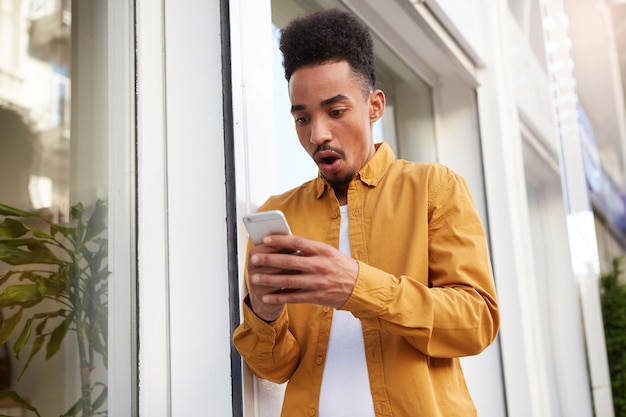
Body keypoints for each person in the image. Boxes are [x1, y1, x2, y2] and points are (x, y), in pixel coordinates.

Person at [233, 8, 499, 417]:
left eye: (335, 112)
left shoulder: (433, 188)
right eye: (302, 118)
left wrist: (356, 286)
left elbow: (475, 323)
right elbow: (275, 367)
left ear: (374, 106)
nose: (317, 133)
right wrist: (264, 314)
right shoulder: (278, 214)